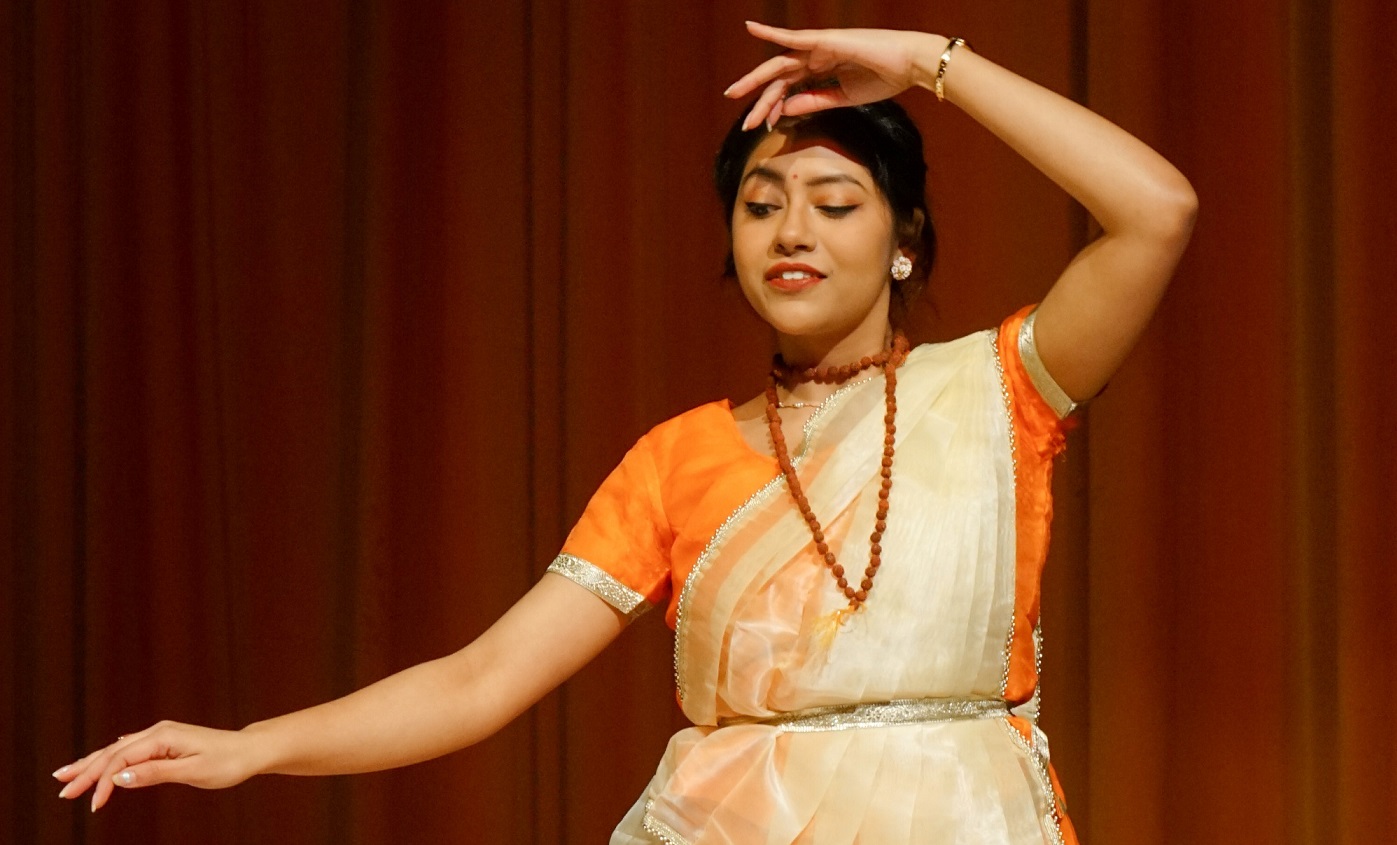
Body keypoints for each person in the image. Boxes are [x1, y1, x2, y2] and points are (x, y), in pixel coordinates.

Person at [53, 22, 1196, 844]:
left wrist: (928, 62)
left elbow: (1156, 210)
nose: (790, 228)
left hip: (962, 815)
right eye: (759, 203)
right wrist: (255, 744)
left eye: (833, 202)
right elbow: (481, 676)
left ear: (904, 237)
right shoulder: (678, 455)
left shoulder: (998, 392)